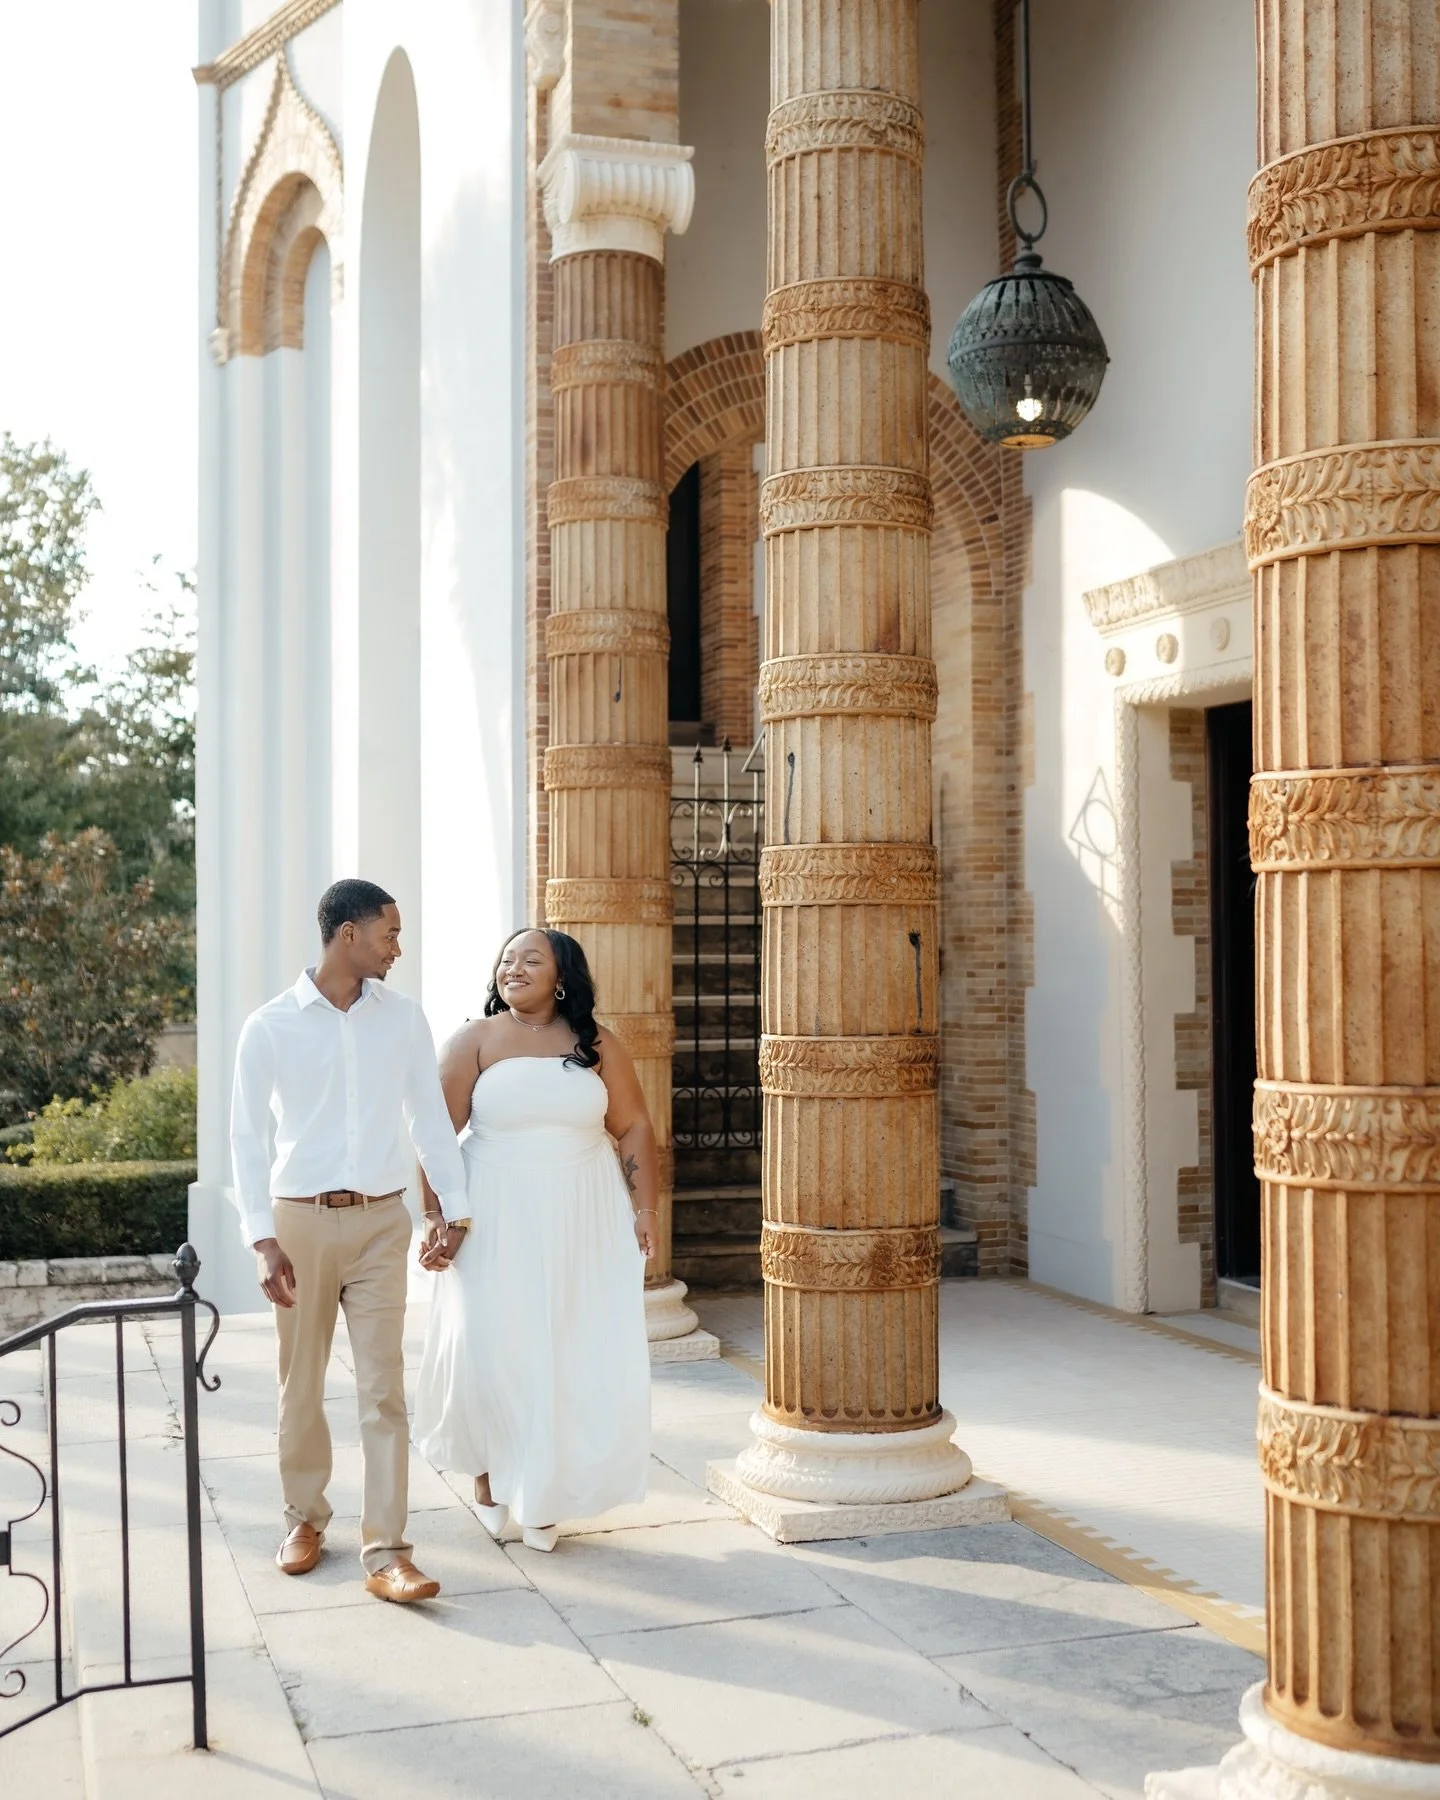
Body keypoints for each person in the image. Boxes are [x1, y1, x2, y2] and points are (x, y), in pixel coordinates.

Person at [229, 878, 470, 1602]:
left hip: (379, 1222)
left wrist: (451, 1214)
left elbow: (429, 1119)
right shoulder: (270, 1025)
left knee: (382, 1390)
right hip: (299, 1222)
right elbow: (246, 1137)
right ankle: (304, 1518)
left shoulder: (402, 1020)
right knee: (299, 1385)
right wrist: (261, 1239)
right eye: (388, 933)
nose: (398, 947)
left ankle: (389, 1550)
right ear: (347, 935)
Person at [412, 928, 653, 1552]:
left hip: (583, 1213)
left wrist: (645, 1206)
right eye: (505, 959)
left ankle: (544, 1492)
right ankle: (491, 1482)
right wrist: (439, 1217)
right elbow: (435, 1138)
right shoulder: (476, 1040)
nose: (512, 967)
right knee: (496, 1346)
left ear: (562, 976)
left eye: (530, 958)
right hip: (493, 1212)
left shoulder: (597, 1045)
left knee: (568, 1347)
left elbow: (631, 1127)